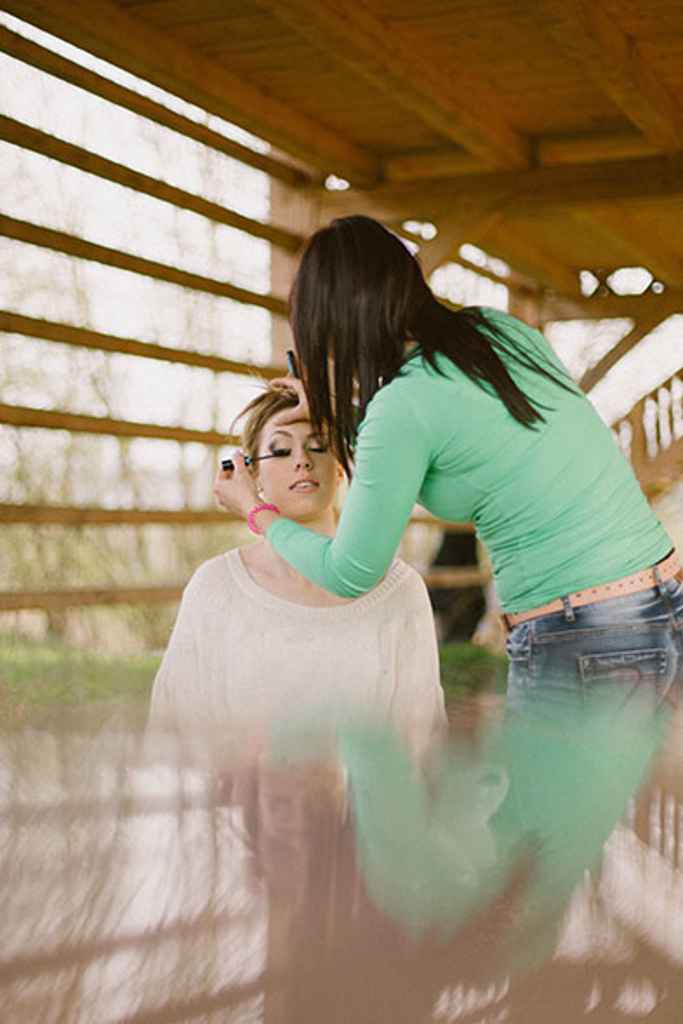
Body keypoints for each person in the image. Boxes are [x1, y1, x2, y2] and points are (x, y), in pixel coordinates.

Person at [213, 215, 683, 706]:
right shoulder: (497, 333)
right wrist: (344, 416)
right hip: (663, 600)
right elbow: (459, 433)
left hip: (586, 632)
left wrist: (256, 511)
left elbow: (349, 572)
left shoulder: (401, 408)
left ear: (332, 325)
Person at [150, 383, 446, 756]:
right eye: (280, 449)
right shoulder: (216, 587)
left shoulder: (400, 591)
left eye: (318, 446)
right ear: (249, 473)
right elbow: (171, 731)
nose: (302, 460)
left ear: (341, 466)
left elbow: (424, 742)